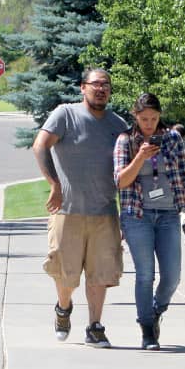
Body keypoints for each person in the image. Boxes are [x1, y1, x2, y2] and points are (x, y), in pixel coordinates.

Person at [32, 67, 128, 348]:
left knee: (100, 274)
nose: (101, 89)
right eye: (96, 84)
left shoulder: (118, 124)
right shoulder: (66, 114)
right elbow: (40, 146)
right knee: (65, 273)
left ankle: (95, 327)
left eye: (106, 85)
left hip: (105, 213)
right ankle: (63, 308)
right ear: (83, 87)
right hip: (67, 211)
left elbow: (129, 168)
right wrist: (54, 184)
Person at [113, 93, 185, 351]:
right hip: (137, 215)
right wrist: (140, 157)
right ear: (135, 115)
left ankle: (156, 310)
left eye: (154, 118)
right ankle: (147, 331)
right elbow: (120, 181)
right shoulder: (125, 141)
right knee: (145, 274)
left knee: (172, 275)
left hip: (168, 214)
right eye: (144, 119)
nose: (149, 124)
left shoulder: (172, 139)